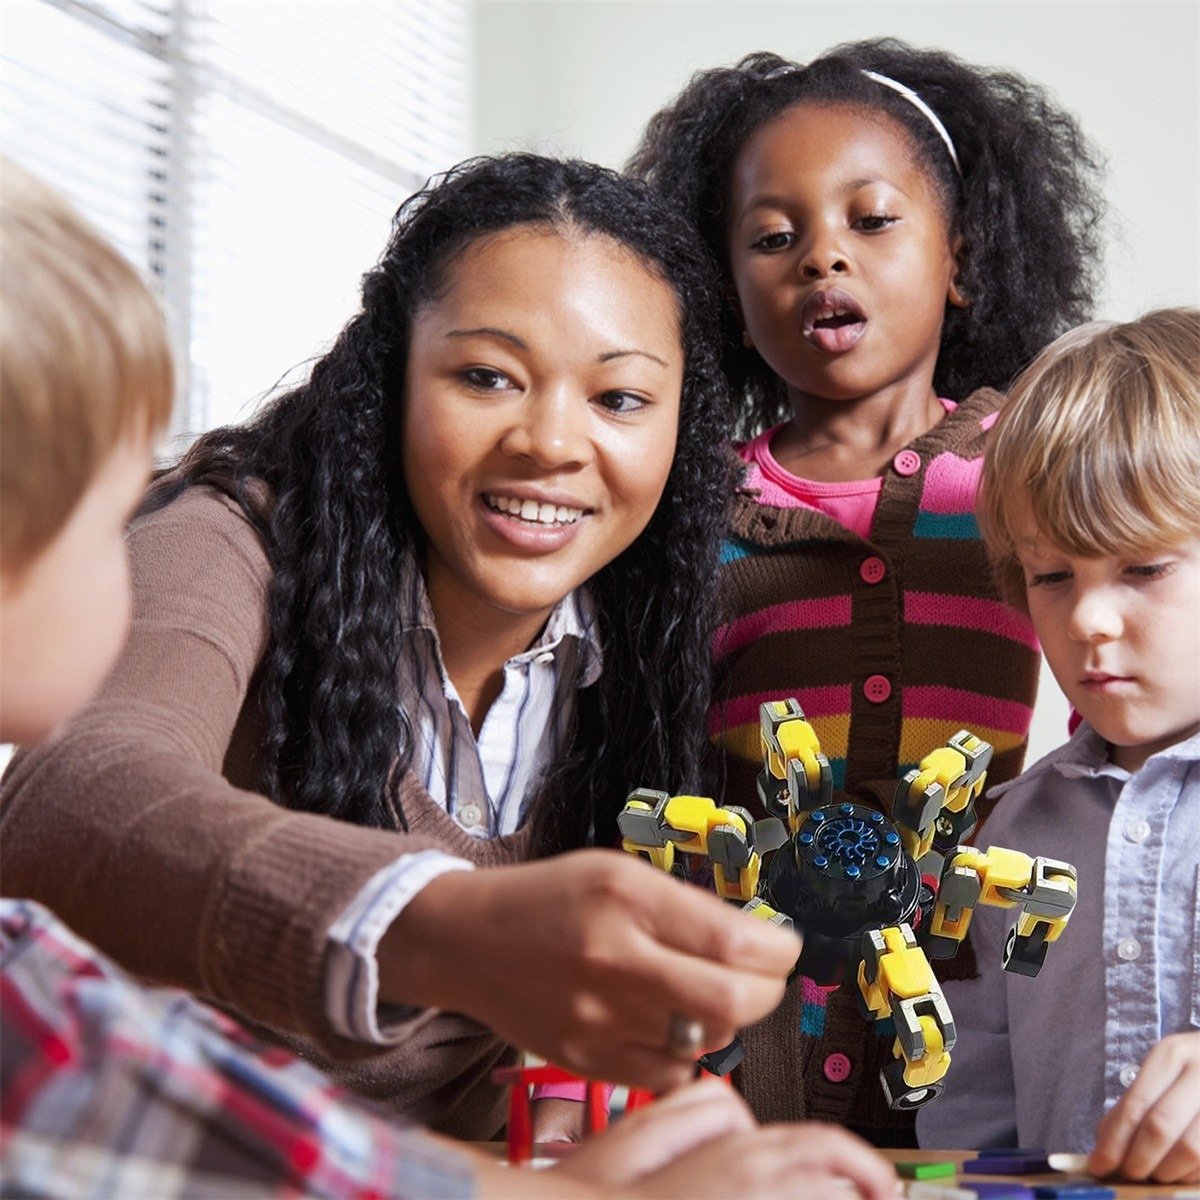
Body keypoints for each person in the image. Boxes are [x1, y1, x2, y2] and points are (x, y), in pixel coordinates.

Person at [0, 159, 902, 1200]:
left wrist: (572, 1106)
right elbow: (71, 801)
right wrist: (448, 930)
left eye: (619, 397)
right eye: (486, 377)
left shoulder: (652, 633)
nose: (551, 442)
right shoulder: (226, 541)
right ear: (392, 374)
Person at [613, 38, 1107, 1143]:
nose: (821, 259)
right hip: (753, 1041)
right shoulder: (686, 511)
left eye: (871, 221)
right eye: (773, 239)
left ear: (960, 260)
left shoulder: (1032, 470)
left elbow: (1116, 723)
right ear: (727, 299)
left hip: (992, 1021)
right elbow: (659, 762)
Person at [917, 309, 1200, 1186]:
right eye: (1052, 576)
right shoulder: (1007, 836)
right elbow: (970, 1100)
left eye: (1143, 568)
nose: (1087, 619)